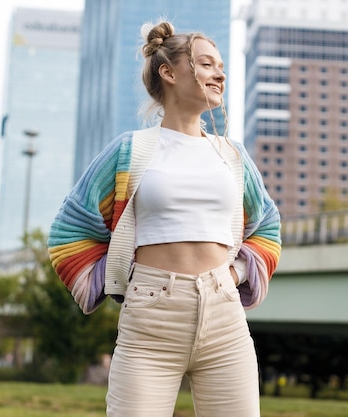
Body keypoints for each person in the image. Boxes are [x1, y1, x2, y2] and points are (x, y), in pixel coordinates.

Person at [48, 20, 281, 417]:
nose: (219, 74)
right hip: (150, 319)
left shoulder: (233, 156)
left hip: (224, 317)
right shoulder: (130, 151)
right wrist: (119, 276)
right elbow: (68, 229)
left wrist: (236, 275)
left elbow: (268, 228)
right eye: (206, 64)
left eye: (220, 66)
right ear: (169, 72)